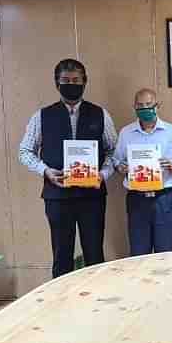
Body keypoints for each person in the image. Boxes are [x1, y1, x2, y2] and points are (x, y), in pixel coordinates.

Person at [19, 58, 117, 278]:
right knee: (62, 256)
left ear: (85, 82)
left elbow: (114, 151)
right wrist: (45, 170)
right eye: (65, 80)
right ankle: (60, 306)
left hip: (92, 196)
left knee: (94, 255)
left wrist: (102, 174)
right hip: (57, 197)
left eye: (76, 80)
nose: (71, 84)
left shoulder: (101, 114)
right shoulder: (41, 116)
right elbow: (25, 151)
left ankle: (97, 302)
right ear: (56, 83)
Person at [113, 88, 172, 256]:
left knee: (165, 253)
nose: (145, 109)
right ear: (134, 107)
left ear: (157, 106)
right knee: (138, 253)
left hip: (165, 198)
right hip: (137, 200)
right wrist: (122, 168)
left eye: (149, 105)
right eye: (140, 106)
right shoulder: (126, 133)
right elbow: (116, 162)